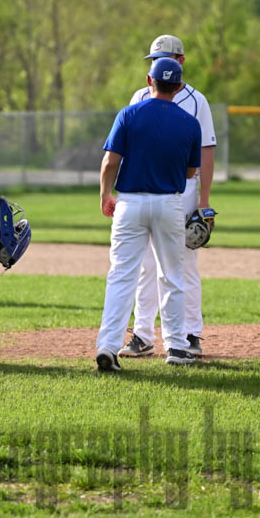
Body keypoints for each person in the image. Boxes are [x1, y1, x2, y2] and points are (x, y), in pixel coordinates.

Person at [95, 57, 202, 372]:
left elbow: (110, 162)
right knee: (171, 276)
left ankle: (108, 346)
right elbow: (191, 171)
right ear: (178, 87)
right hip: (169, 204)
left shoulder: (129, 114)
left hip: (130, 203)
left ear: (148, 81)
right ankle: (177, 347)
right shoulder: (189, 122)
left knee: (121, 276)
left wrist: (105, 194)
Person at [118, 35, 217, 359]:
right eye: (153, 60)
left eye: (166, 59)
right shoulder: (138, 96)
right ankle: (143, 335)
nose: (158, 65)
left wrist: (204, 201)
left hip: (184, 189)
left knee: (184, 262)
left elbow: (206, 152)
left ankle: (190, 333)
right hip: (145, 188)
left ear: (181, 61)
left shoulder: (196, 100)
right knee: (145, 265)